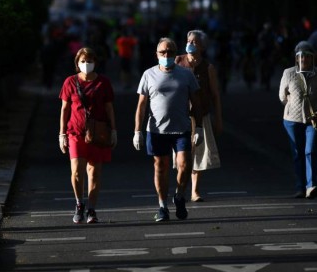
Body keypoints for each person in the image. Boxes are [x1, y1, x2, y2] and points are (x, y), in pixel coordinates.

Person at [133, 37, 202, 222]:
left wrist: (200, 128)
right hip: (157, 130)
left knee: (185, 165)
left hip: (182, 128)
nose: (166, 55)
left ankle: (179, 196)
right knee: (160, 167)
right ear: (156, 55)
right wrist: (137, 131)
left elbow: (196, 101)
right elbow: (141, 105)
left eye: (170, 52)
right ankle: (162, 207)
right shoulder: (148, 74)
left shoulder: (186, 74)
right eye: (162, 52)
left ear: (175, 53)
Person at [59, 47, 118, 224]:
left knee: (94, 172)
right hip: (75, 132)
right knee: (77, 170)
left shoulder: (103, 82)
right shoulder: (69, 82)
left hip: (97, 133)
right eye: (83, 61)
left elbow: (109, 108)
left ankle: (91, 209)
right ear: (77, 63)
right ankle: (79, 204)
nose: (86, 64)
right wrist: (61, 134)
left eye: (90, 61)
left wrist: (113, 130)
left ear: (95, 62)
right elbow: (65, 109)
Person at [175, 30, 223, 202]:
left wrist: (218, 119)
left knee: (199, 153)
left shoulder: (207, 68)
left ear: (202, 47)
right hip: (181, 116)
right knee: (182, 154)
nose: (190, 44)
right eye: (189, 40)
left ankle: (194, 190)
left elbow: (215, 95)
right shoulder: (178, 62)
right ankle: (180, 186)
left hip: (201, 116)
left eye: (195, 42)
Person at [278, 41, 317, 199]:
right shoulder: (289, 73)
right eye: (300, 57)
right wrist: (293, 105)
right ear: (296, 58)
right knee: (298, 153)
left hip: (314, 120)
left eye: (307, 57)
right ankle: (300, 186)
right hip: (292, 120)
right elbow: (282, 97)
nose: (304, 60)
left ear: (312, 58)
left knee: (311, 151)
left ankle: (311, 185)